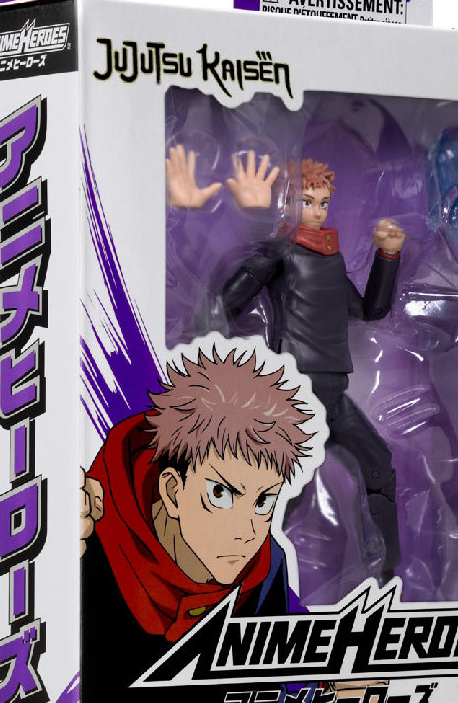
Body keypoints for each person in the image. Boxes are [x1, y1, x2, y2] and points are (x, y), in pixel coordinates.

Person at [79, 344, 377, 703]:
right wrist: (37, 559)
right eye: (221, 494)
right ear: (173, 491)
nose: (245, 529)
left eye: (263, 501)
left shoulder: (260, 574)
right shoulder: (87, 535)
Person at [166, 147, 405, 577]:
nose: (317, 212)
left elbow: (371, 310)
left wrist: (388, 256)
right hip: (295, 395)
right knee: (282, 492)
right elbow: (223, 306)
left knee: (378, 465)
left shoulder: (331, 260)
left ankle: (388, 569)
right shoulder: (279, 254)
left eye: (323, 203)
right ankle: (235, 568)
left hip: (334, 395)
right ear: (289, 202)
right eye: (307, 202)